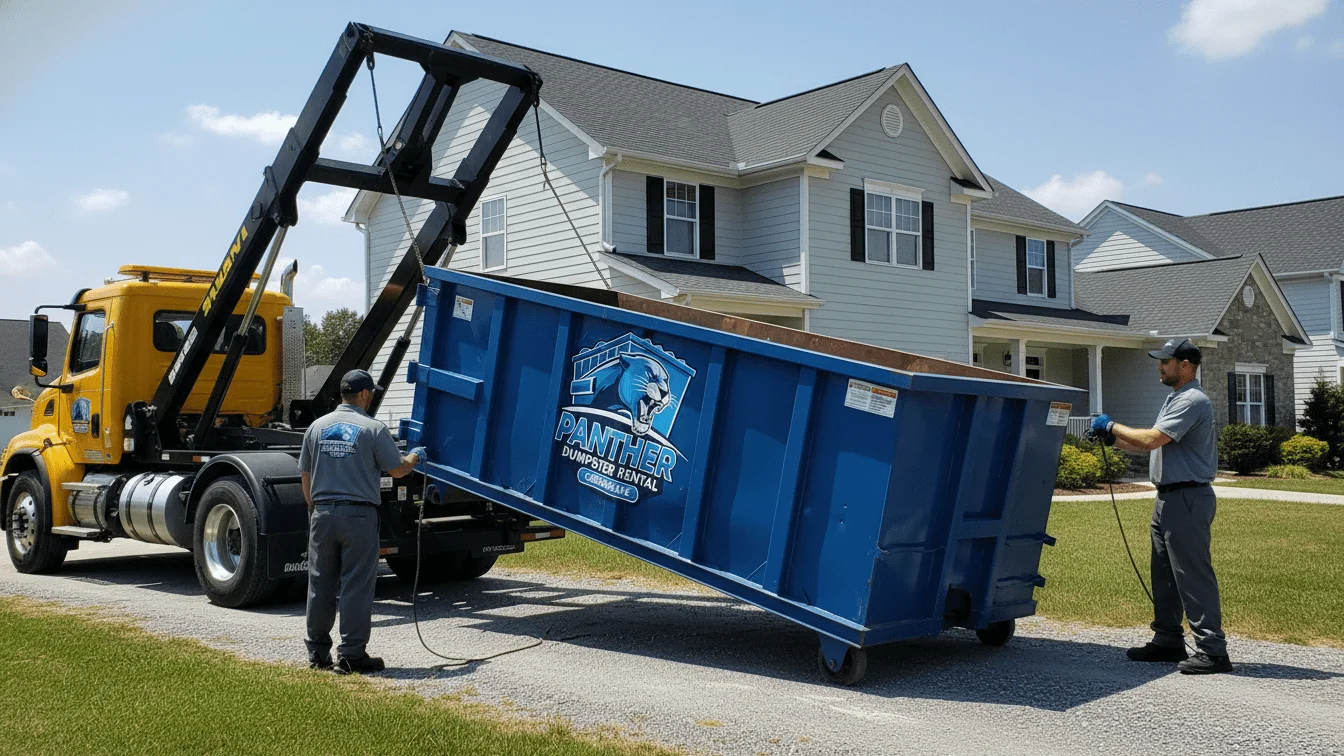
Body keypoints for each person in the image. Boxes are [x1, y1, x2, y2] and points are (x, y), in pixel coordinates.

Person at [1089, 338, 1231, 674]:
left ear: (1184, 365)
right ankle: (1168, 639)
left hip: (1187, 498)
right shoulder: (1174, 398)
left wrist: (1111, 425)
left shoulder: (1193, 400)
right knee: (1165, 575)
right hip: (1169, 497)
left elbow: (1152, 438)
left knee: (1192, 575)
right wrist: (1114, 439)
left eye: (1165, 361)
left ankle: (1213, 650)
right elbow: (1147, 445)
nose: (1159, 366)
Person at [299, 369, 426, 674]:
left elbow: (305, 475)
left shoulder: (316, 427)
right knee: (356, 585)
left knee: (320, 584)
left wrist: (316, 508)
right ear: (365, 394)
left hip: (323, 513)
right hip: (358, 515)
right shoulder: (372, 428)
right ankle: (351, 655)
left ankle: (318, 654)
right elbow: (396, 470)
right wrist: (416, 457)